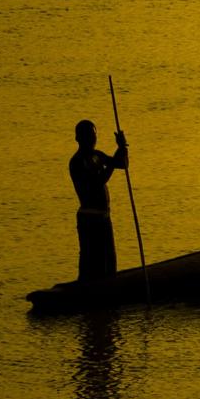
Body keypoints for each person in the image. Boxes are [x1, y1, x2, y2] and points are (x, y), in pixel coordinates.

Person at [70, 119, 128, 281]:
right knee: (89, 261)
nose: (92, 139)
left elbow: (122, 164)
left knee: (109, 261)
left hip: (104, 218)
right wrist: (110, 165)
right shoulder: (77, 162)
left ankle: (107, 288)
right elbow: (97, 181)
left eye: (94, 135)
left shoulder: (98, 155)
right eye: (88, 136)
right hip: (89, 219)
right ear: (78, 138)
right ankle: (83, 289)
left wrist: (122, 147)